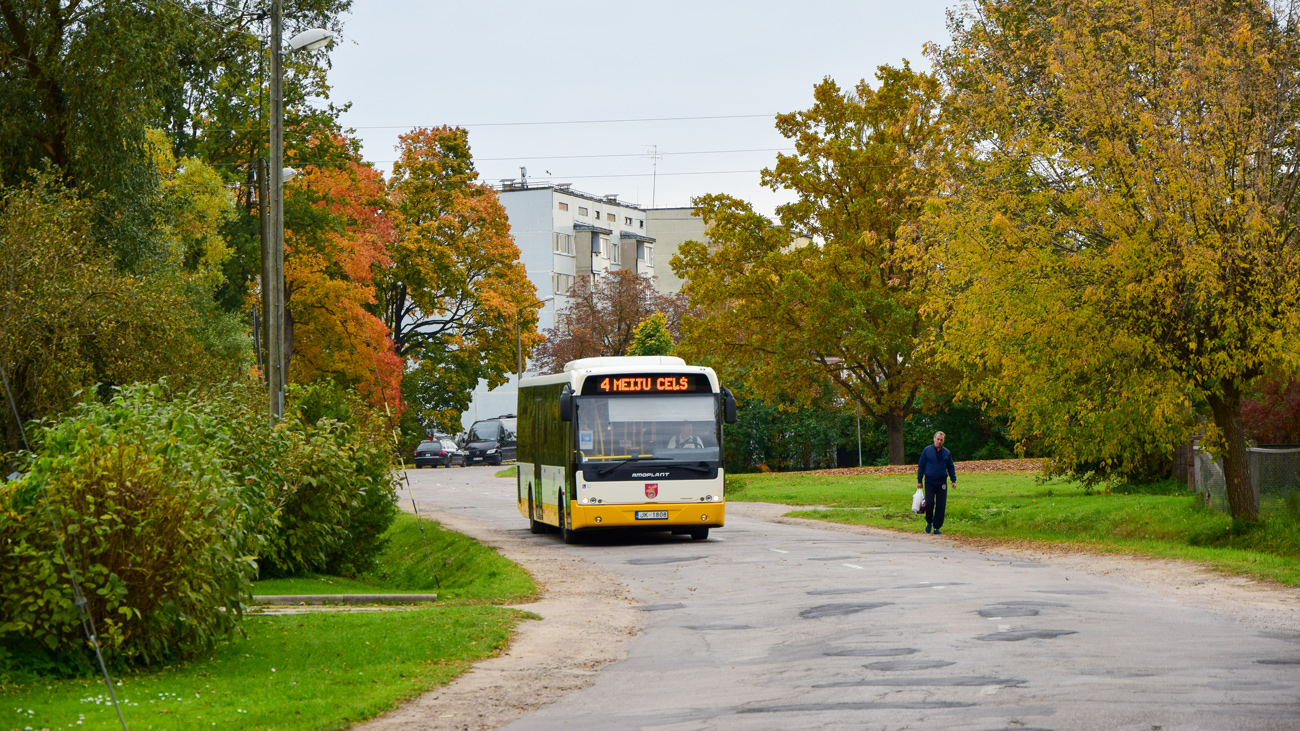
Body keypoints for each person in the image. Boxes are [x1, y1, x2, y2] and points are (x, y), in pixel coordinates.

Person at [916, 431, 957, 534]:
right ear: (934, 439)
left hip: (942, 482)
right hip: (929, 481)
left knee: (941, 504)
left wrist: (953, 480)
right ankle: (929, 522)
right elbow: (921, 466)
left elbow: (950, 467)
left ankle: (937, 527)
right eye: (938, 439)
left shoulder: (946, 453)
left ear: (943, 441)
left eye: (941, 440)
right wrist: (919, 480)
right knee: (929, 503)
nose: (939, 441)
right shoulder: (927, 451)